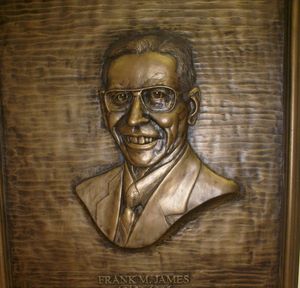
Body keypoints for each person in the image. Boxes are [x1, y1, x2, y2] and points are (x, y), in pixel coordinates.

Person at [76, 31, 238, 248]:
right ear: (103, 106)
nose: (134, 119)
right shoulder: (88, 193)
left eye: (158, 96)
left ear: (191, 107)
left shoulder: (219, 198)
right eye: (120, 97)